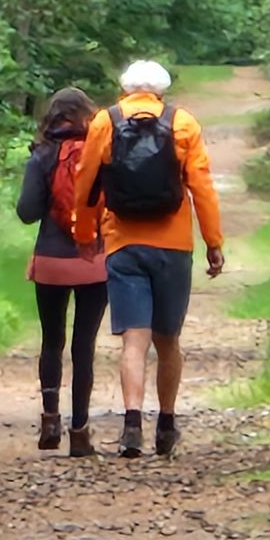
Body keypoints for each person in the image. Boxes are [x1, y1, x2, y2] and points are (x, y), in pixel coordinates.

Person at [71, 60, 224, 459]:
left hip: (123, 243)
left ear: (125, 89)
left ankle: (132, 427)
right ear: (161, 90)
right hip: (174, 246)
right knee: (168, 340)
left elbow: (85, 182)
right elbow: (202, 187)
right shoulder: (182, 123)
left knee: (133, 341)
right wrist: (213, 241)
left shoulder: (105, 122)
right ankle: (167, 425)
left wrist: (84, 234)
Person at [15, 87, 108, 458]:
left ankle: (50, 420)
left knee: (52, 341)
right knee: (84, 344)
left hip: (51, 261)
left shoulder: (42, 155)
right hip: (94, 261)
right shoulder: (102, 152)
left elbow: (27, 212)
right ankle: (80, 431)